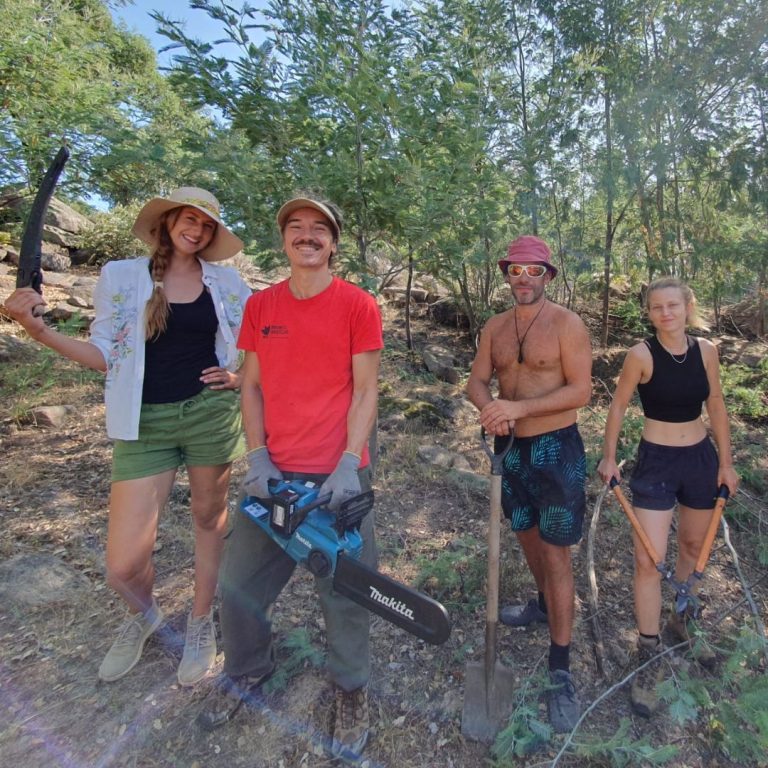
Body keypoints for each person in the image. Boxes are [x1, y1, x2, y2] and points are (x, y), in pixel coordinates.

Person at [2, 187, 252, 686]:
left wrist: (241, 378)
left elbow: (249, 346)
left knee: (209, 520)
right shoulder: (121, 276)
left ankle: (202, 622)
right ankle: (145, 616)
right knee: (122, 563)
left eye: (206, 226)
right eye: (189, 220)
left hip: (210, 415)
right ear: (166, 223)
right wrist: (38, 332)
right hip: (144, 423)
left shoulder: (227, 283)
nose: (197, 231)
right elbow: (104, 355)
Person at [196, 196, 382, 759]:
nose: (307, 236)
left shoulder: (357, 305)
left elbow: (366, 389)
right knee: (237, 586)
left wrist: (350, 463)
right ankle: (248, 670)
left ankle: (351, 689)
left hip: (336, 476)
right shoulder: (261, 306)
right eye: (296, 228)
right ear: (283, 241)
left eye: (319, 229)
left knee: (347, 591)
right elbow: (249, 385)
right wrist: (257, 459)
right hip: (274, 475)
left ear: (333, 243)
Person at [466, 235, 592, 733]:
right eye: (515, 271)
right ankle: (542, 607)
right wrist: (489, 409)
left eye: (533, 271)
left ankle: (560, 668)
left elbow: (580, 390)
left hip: (556, 448)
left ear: (548, 275)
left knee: (557, 553)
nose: (523, 279)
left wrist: (518, 407)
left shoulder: (567, 324)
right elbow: (477, 381)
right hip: (510, 450)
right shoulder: (494, 328)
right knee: (527, 539)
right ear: (506, 275)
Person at [597, 276, 738, 717]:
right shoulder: (640, 355)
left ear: (687, 306)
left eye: (673, 305)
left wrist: (726, 463)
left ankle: (682, 618)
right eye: (657, 307)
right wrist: (608, 456)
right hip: (656, 461)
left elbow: (715, 404)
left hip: (699, 458)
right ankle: (648, 651)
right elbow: (618, 405)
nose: (665, 313)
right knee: (647, 559)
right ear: (649, 311)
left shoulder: (707, 351)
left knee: (694, 549)